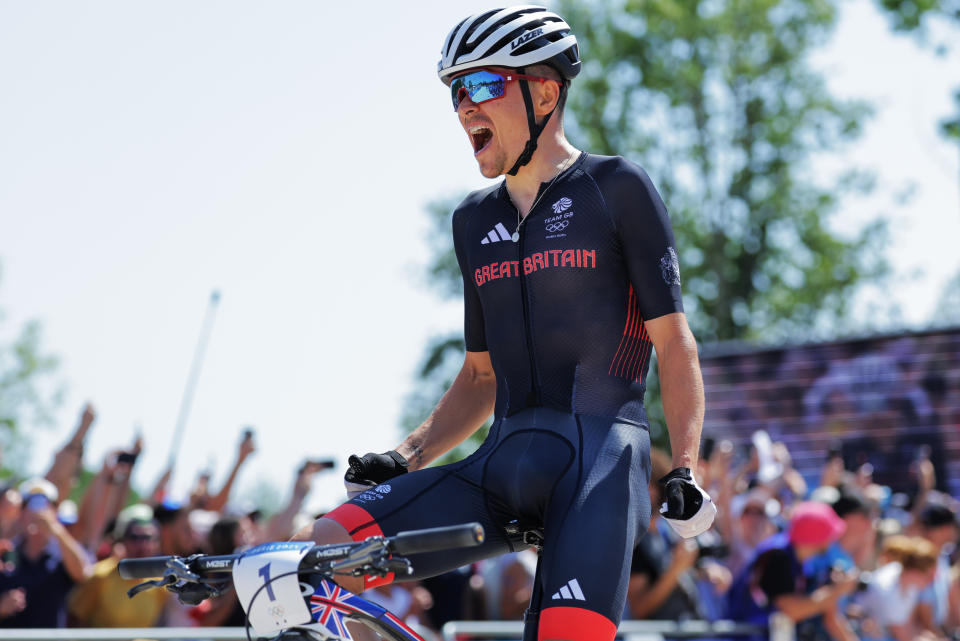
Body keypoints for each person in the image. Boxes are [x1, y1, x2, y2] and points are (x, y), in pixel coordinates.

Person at [293, 7, 714, 641]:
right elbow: (480, 376)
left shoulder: (616, 187)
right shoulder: (471, 221)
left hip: (599, 467)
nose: (464, 107)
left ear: (545, 89)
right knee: (312, 556)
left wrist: (683, 469)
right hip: (499, 466)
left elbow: (675, 344)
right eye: (455, 93)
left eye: (483, 85)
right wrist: (403, 456)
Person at [726, 501, 859, 641]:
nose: (832, 539)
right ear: (815, 535)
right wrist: (837, 590)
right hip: (745, 634)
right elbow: (791, 611)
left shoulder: (804, 561)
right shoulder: (778, 555)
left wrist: (832, 590)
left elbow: (824, 611)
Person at [67, 504, 169, 627]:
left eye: (149, 538)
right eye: (135, 537)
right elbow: (74, 620)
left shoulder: (162, 583)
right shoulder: (100, 575)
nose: (143, 545)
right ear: (123, 540)